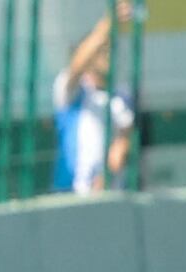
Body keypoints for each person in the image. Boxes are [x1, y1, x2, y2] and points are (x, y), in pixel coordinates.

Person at [55, 4, 139, 193]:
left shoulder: (121, 97)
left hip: (109, 194)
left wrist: (105, 177)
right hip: (71, 192)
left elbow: (123, 141)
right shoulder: (71, 90)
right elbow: (78, 64)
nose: (107, 55)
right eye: (101, 51)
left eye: (109, 49)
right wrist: (109, 23)